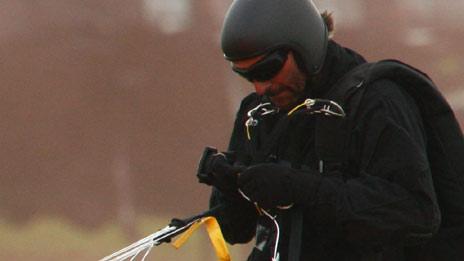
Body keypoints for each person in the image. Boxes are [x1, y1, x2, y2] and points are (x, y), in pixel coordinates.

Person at [197, 0, 464, 260]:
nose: (261, 87)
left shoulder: (378, 101)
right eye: (247, 76)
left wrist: (299, 187)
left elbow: (415, 214)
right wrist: (231, 186)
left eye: (268, 69)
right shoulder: (258, 112)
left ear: (304, 46)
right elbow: (235, 231)